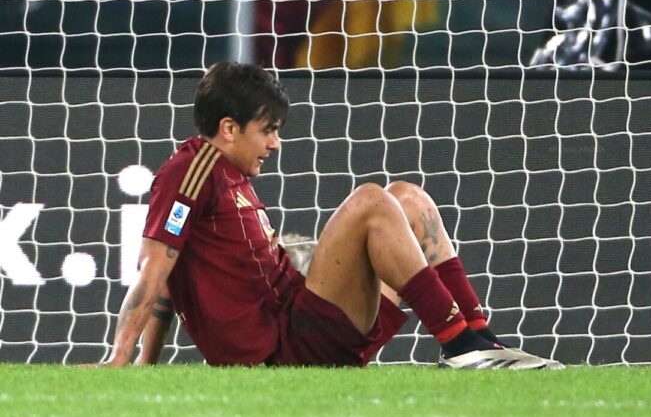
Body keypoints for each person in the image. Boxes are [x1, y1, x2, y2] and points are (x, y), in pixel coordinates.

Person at [104, 62, 559, 369]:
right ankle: (459, 346)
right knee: (370, 202)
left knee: (408, 198)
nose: (274, 144)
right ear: (228, 128)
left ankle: (482, 341)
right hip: (283, 347)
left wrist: (146, 365)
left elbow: (171, 272)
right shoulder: (191, 170)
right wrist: (122, 360)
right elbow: (156, 270)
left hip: (307, 330)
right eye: (268, 131)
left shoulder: (229, 176)